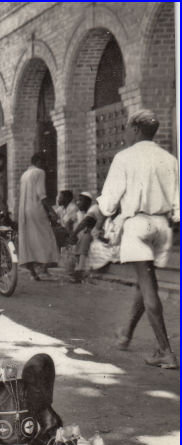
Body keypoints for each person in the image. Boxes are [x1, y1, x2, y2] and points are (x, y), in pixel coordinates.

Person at [97, 109, 179, 369]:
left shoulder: (125, 158)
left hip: (138, 225)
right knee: (144, 283)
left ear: (135, 129)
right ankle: (126, 334)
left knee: (148, 285)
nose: (125, 133)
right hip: (163, 227)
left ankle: (165, 351)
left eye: (127, 129)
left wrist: (99, 223)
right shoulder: (170, 158)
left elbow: (109, 201)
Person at [18, 153, 60, 280]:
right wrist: (52, 211)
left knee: (29, 241)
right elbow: (41, 194)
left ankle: (33, 272)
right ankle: (43, 269)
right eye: (44, 162)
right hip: (36, 210)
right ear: (37, 161)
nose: (45, 165)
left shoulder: (24, 174)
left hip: (24, 211)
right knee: (46, 238)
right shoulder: (39, 172)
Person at [68, 192, 104, 282]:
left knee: (85, 237)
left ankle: (80, 269)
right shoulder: (82, 212)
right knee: (84, 236)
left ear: (88, 201)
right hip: (95, 233)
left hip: (103, 233)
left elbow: (86, 222)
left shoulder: (94, 208)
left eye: (80, 200)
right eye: (77, 201)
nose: (77, 203)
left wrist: (74, 234)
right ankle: (78, 268)